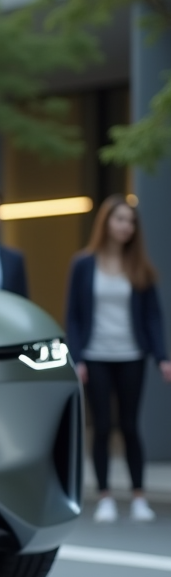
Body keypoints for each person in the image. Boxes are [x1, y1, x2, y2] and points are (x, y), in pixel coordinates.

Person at [65, 196, 171, 524]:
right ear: (106, 223)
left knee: (129, 424)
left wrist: (162, 357)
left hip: (131, 355)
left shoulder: (139, 266)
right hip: (95, 356)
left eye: (131, 221)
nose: (126, 226)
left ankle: (139, 496)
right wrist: (77, 356)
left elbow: (153, 317)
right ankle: (105, 496)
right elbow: (74, 316)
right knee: (102, 426)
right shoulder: (84, 264)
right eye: (120, 219)